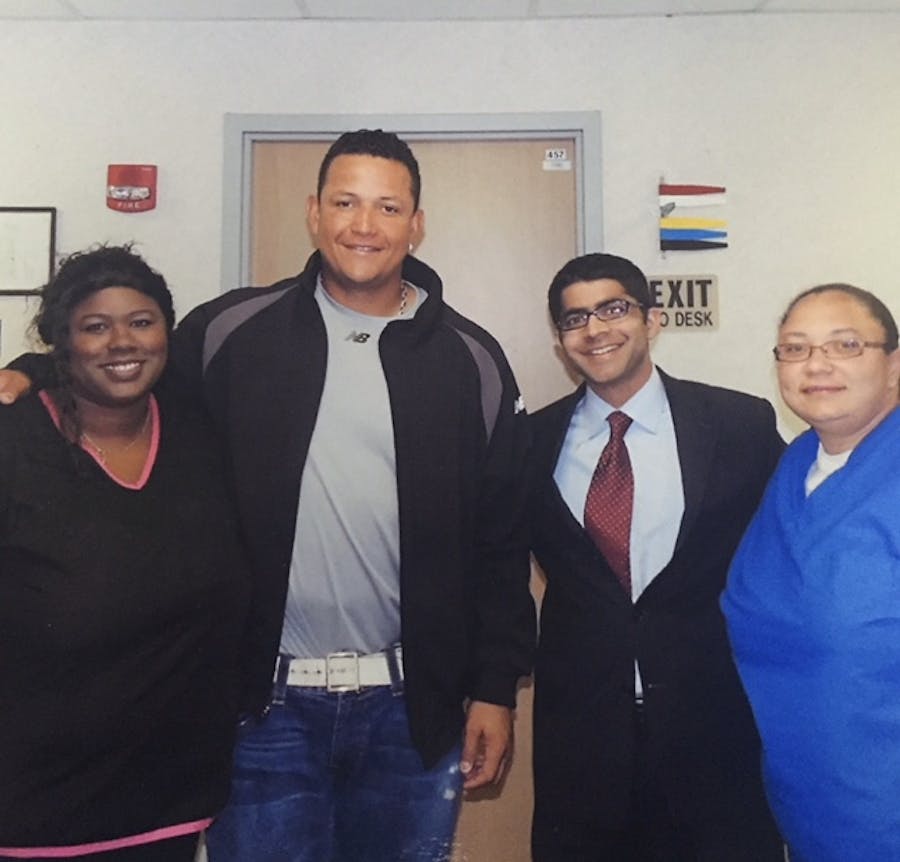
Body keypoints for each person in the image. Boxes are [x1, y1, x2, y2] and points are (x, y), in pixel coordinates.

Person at [0, 131, 534, 861]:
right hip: (260, 711)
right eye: (345, 202)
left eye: (387, 206)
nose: (364, 225)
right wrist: (34, 366)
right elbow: (124, 366)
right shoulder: (230, 332)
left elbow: (500, 541)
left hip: (412, 710)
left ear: (417, 223)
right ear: (314, 213)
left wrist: (494, 688)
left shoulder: (471, 359)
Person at [528, 252, 785, 861]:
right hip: (583, 737)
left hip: (714, 722)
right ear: (561, 340)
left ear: (653, 319)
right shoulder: (529, 442)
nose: (596, 329)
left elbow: (785, 551)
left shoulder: (737, 424)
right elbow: (492, 564)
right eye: (575, 319)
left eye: (614, 309)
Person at [0, 245, 250, 862]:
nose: (121, 342)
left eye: (141, 322)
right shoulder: (14, 442)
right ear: (63, 341)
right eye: (94, 327)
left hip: (169, 801)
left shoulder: (199, 428)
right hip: (33, 808)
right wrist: (30, 369)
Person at [722, 284, 900, 862]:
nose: (816, 364)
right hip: (810, 806)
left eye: (845, 344)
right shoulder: (798, 462)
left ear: (894, 365)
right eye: (794, 349)